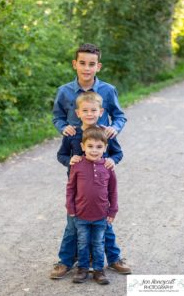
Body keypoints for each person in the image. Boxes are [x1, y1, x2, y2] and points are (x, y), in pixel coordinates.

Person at [50, 91, 131, 279]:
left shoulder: (106, 132)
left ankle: (113, 259)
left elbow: (118, 153)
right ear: (78, 113)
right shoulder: (72, 133)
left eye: (93, 110)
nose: (89, 114)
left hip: (100, 188)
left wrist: (112, 160)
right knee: (72, 227)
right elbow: (61, 155)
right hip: (79, 188)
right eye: (85, 110)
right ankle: (65, 262)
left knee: (106, 228)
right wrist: (71, 159)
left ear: (100, 111)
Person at [67, 126, 118, 285]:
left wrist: (112, 210)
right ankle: (82, 269)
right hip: (81, 215)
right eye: (90, 146)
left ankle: (98, 270)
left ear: (105, 147)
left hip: (101, 215)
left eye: (98, 147)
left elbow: (113, 191)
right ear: (83, 147)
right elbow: (70, 188)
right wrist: (70, 208)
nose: (94, 150)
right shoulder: (77, 165)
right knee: (82, 243)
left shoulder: (108, 167)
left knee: (98, 243)